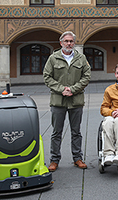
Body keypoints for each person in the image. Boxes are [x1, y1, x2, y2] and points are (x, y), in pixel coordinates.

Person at [43, 31, 91, 172]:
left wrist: (73, 89)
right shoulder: (53, 58)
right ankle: (54, 160)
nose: (69, 43)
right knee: (56, 132)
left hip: (76, 101)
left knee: (76, 132)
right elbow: (47, 77)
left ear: (74, 43)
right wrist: (61, 89)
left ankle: (77, 158)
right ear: (61, 43)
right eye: (66, 41)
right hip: (58, 101)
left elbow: (86, 77)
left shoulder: (81, 58)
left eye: (71, 41)